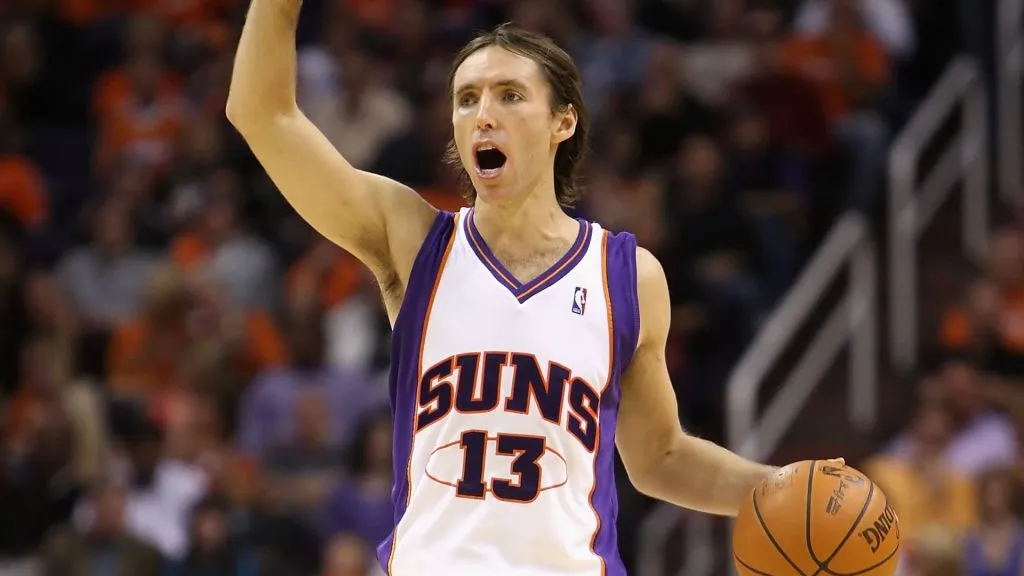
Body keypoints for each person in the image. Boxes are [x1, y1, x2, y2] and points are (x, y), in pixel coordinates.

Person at [226, 7, 817, 574]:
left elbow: (660, 457)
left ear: (564, 120)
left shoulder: (627, 275)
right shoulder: (411, 239)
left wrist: (780, 488)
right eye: (467, 99)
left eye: (510, 94)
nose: (484, 113)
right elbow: (264, 115)